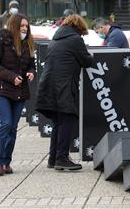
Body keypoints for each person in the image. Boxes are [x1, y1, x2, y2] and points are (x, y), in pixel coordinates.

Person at [36, 14, 95, 171]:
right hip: (64, 86)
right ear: (79, 27)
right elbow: (87, 61)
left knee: (58, 121)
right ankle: (62, 158)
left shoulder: (55, 39)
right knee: (67, 120)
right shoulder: (75, 39)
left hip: (48, 85)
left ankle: (53, 158)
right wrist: (90, 55)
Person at [0, 14, 35, 176]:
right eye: (21, 26)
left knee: (13, 128)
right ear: (14, 25)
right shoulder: (1, 40)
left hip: (20, 91)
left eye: (26, 26)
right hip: (2, 89)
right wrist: (11, 77)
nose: (24, 29)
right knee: (6, 124)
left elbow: (31, 64)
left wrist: (30, 72)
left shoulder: (27, 43)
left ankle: (6, 162)